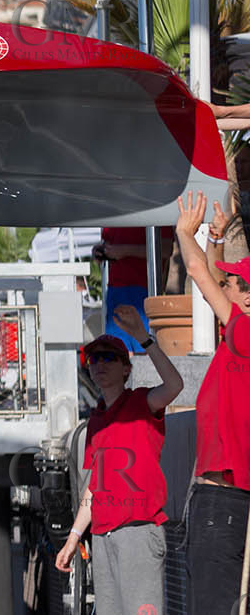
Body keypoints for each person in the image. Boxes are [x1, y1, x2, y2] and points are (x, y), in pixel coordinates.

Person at [55, 305, 184, 615]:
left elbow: (174, 386)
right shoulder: (96, 420)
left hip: (137, 532)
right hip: (102, 536)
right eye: (93, 359)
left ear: (126, 368)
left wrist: (143, 338)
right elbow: (94, 487)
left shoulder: (141, 401)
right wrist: (74, 537)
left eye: (108, 357)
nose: (99, 364)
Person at [177, 191, 250, 614]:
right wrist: (216, 238)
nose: (225, 286)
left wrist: (187, 233)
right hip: (232, 500)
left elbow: (198, 275)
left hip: (222, 504)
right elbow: (213, 277)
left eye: (234, 283)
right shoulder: (237, 339)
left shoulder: (244, 334)